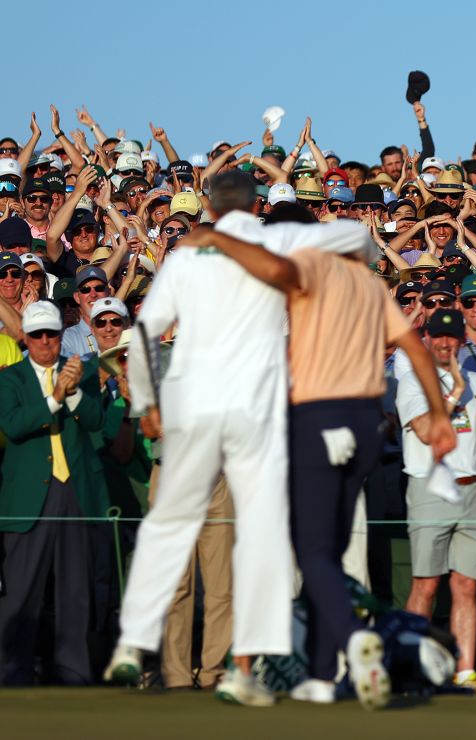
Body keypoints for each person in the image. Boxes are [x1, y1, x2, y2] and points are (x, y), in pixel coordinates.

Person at [104, 172, 413, 707]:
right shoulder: (300, 259)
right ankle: (274, 668)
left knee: (211, 534)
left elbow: (148, 331)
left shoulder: (215, 260)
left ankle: (153, 646)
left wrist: (145, 403)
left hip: (240, 420)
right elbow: (357, 248)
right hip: (284, 422)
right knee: (286, 549)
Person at [399, 309, 476, 695]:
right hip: (430, 488)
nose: (445, 344)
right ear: (426, 340)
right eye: (438, 338)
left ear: (461, 340)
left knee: (466, 586)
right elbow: (430, 432)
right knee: (426, 584)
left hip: (474, 488)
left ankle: (465, 671)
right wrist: (452, 394)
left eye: (451, 338)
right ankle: (415, 669)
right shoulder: (413, 382)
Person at [0, 301, 107, 685]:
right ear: (25, 338)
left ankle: (75, 674)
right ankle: (12, 674)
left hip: (75, 492)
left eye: (52, 334)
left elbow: (94, 421)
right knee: (21, 591)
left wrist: (74, 392)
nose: (46, 342)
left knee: (76, 590)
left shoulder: (84, 368)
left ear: (62, 336)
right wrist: (56, 397)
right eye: (38, 335)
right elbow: (14, 426)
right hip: (28, 496)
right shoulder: (9, 378)